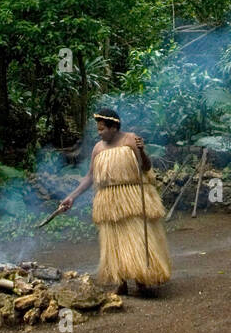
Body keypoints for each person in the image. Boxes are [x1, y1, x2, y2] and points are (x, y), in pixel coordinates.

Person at [58, 109, 171, 295]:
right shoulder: (98, 149)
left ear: (114, 127)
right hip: (108, 201)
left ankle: (141, 279)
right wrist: (72, 197)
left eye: (102, 129)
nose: (99, 132)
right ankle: (122, 281)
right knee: (114, 242)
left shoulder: (131, 141)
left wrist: (142, 152)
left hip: (132, 198)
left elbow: (146, 167)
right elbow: (90, 177)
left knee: (136, 239)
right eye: (98, 129)